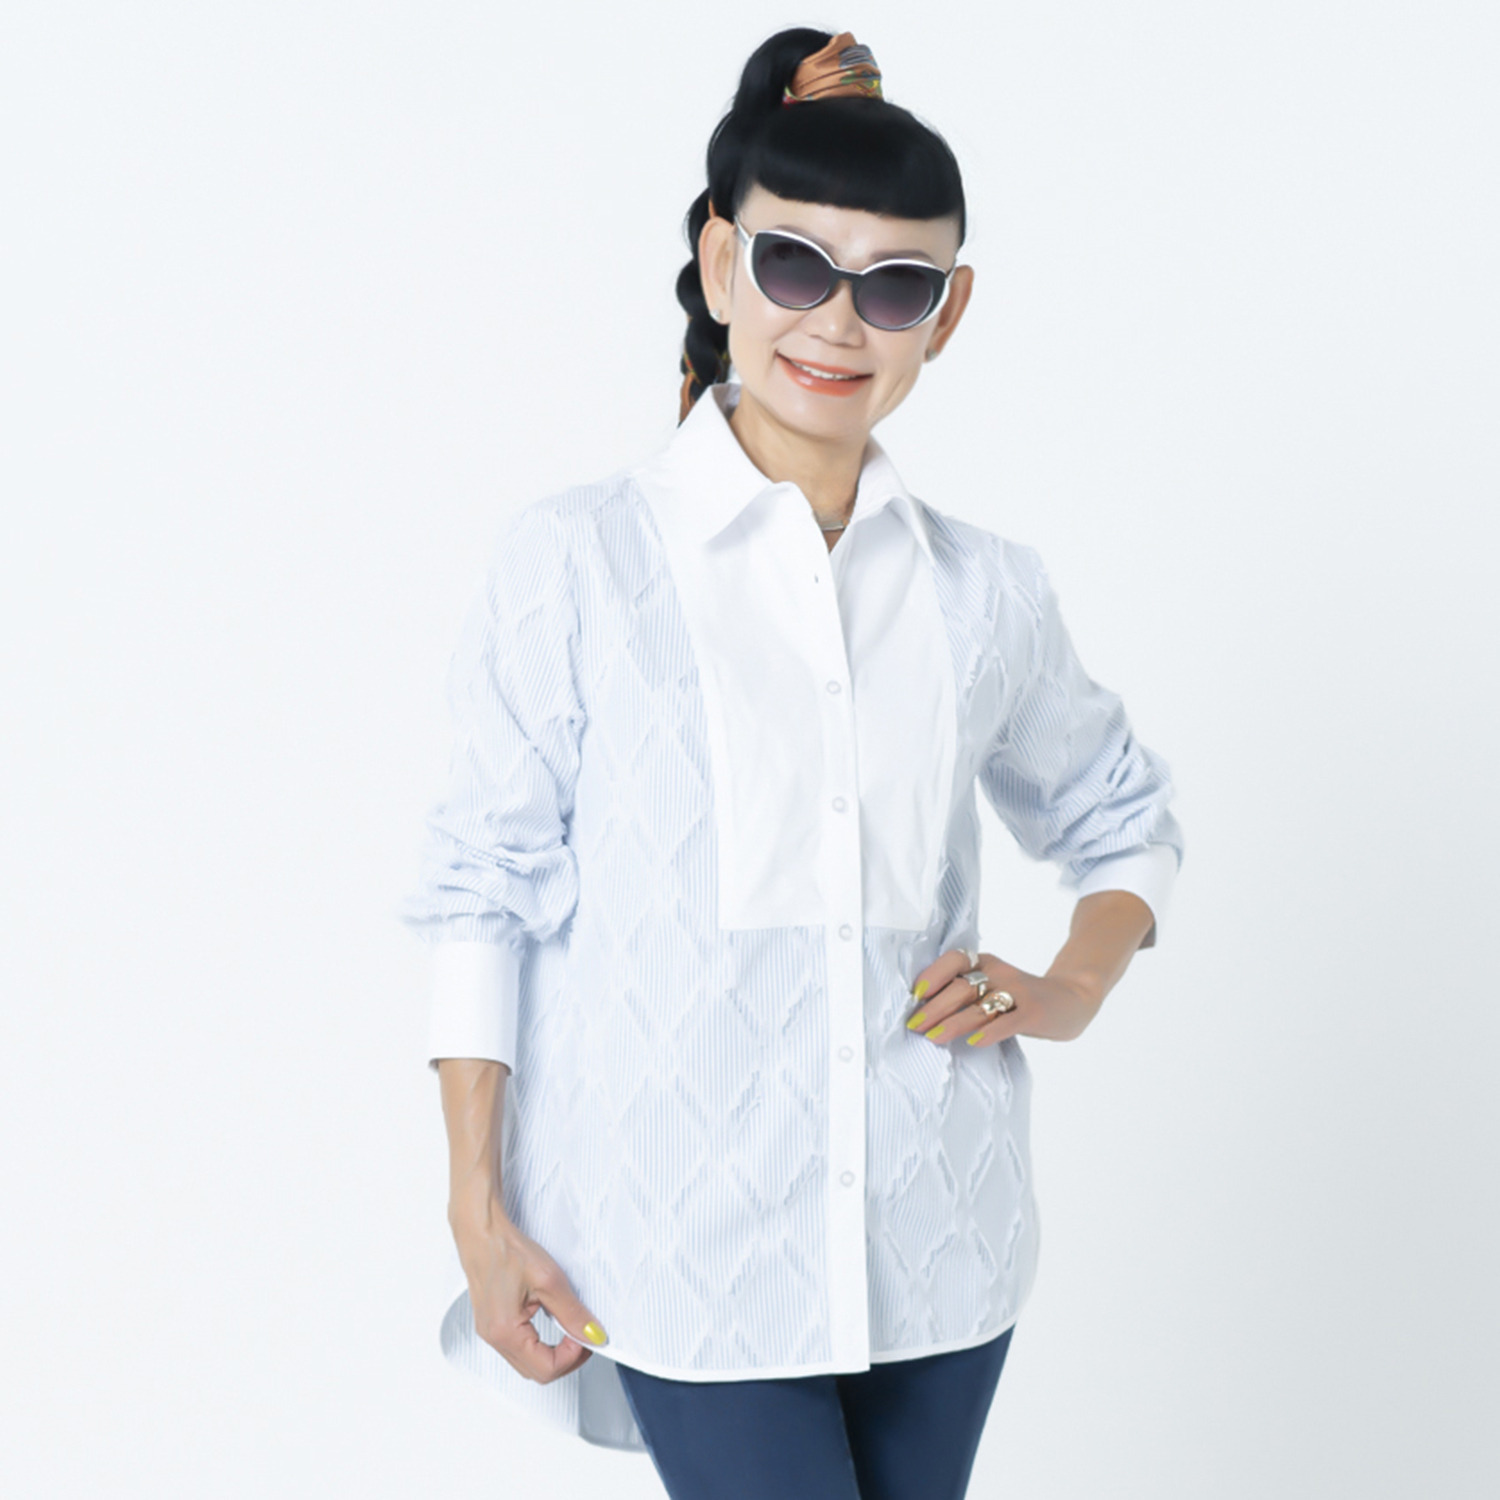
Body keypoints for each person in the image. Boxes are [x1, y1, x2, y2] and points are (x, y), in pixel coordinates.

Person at [398, 26, 1184, 1500]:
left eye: (893, 286)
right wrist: (473, 1209)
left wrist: (1070, 988)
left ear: (946, 314)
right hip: (681, 1248)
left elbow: (1119, 814)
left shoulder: (986, 592)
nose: (836, 323)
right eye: (793, 266)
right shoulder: (577, 565)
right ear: (720, 264)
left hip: (938, 1243)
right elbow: (481, 892)